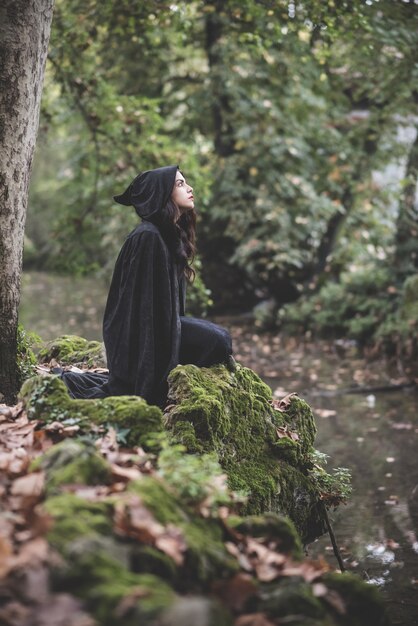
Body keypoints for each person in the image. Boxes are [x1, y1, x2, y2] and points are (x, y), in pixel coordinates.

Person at [61, 165, 234, 408]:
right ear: (161, 193)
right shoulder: (147, 236)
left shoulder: (167, 235)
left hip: (162, 327)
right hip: (140, 335)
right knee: (217, 340)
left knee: (221, 338)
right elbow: (139, 311)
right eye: (180, 184)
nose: (190, 188)